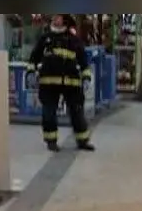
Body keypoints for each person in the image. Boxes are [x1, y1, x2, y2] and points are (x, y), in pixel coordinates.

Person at [28, 14, 95, 152]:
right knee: (48, 113)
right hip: (49, 83)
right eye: (54, 16)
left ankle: (82, 140)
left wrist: (86, 78)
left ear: (64, 20)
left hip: (72, 83)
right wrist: (30, 73)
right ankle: (51, 141)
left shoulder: (74, 40)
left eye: (58, 16)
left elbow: (84, 62)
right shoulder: (45, 38)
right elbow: (33, 58)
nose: (54, 18)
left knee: (77, 112)